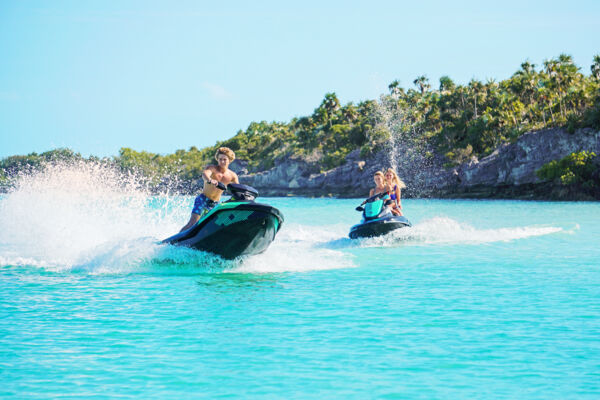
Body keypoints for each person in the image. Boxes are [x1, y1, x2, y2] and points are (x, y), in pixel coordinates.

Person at [179, 147, 239, 232]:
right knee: (193, 223)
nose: (222, 162)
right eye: (220, 159)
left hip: (215, 204)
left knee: (209, 227)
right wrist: (210, 180)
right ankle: (176, 238)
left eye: (224, 159)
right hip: (203, 199)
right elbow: (205, 174)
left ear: (229, 160)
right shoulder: (212, 168)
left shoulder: (232, 175)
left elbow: (238, 189)